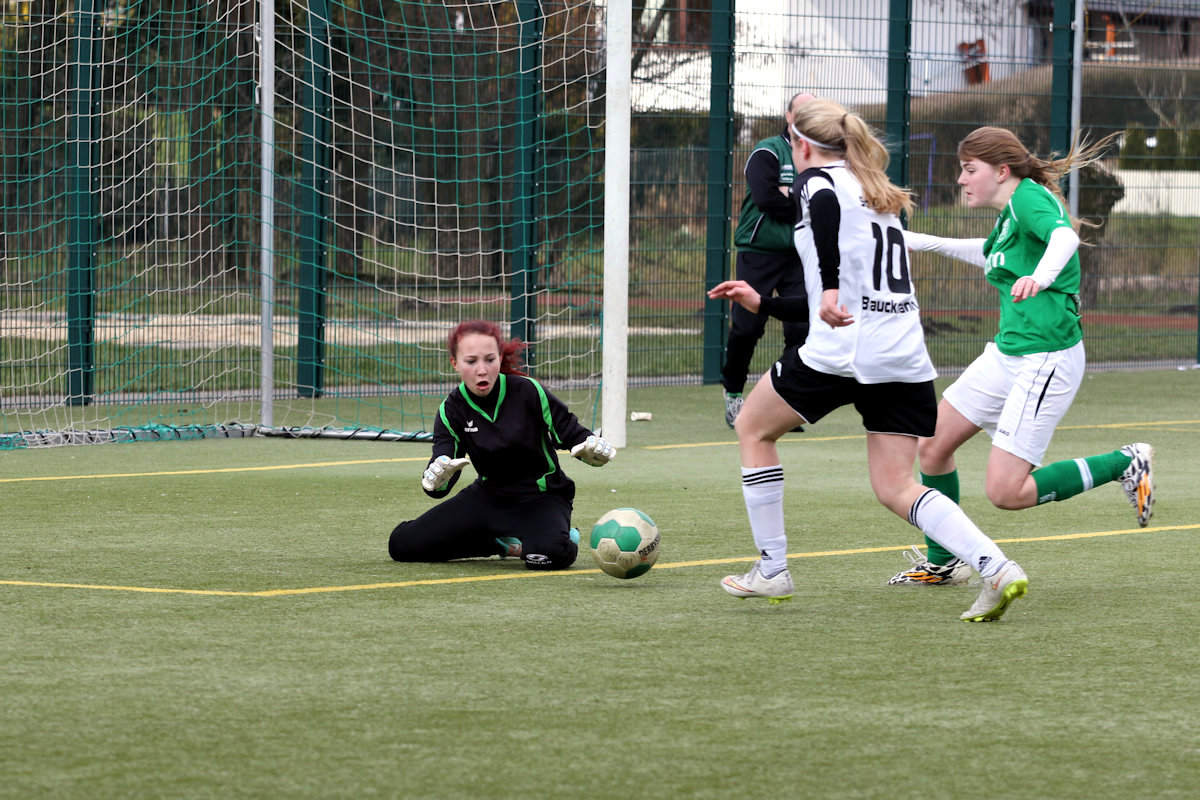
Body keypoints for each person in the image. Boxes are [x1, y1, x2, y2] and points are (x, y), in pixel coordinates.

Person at [708, 99, 1027, 622]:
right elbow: (842, 295)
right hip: (901, 353)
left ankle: (772, 567)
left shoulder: (820, 183)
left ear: (802, 144)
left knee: (752, 428)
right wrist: (764, 303)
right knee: (898, 487)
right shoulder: (878, 191)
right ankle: (996, 567)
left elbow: (829, 244)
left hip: (843, 350)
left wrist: (828, 285)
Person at [886, 126, 1154, 588]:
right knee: (932, 445)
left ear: (1002, 171)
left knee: (1006, 492)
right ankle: (944, 562)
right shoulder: (1013, 212)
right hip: (1008, 353)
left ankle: (1123, 463)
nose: (963, 180)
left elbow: (1065, 238)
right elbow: (991, 257)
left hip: (1046, 360)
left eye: (970, 170)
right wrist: (918, 241)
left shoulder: (1029, 199)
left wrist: (1044, 278)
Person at [388, 320, 616, 570]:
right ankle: (501, 545)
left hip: (542, 497)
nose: (482, 370)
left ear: (499, 358)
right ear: (455, 363)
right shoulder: (450, 410)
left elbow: (572, 434)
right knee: (402, 545)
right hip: (488, 498)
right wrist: (436, 479)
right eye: (471, 361)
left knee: (548, 555)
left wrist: (591, 449)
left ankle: (561, 536)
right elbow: (444, 468)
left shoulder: (528, 391)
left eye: (490, 359)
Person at [721, 91, 814, 428]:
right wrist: (800, 200)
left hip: (800, 255)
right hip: (758, 251)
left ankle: (786, 400)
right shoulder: (767, 150)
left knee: (803, 328)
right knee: (746, 328)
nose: (807, 117)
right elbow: (766, 199)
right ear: (788, 116)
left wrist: (789, 195)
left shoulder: (820, 155)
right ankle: (733, 394)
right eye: (801, 111)